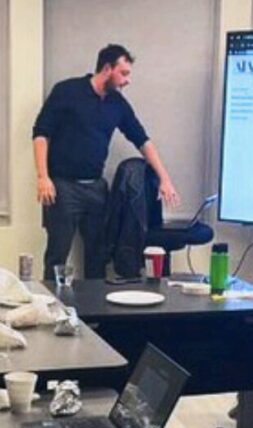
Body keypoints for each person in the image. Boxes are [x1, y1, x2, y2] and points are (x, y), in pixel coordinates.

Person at [32, 43, 179, 280]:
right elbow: (41, 133)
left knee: (98, 255)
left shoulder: (117, 103)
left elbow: (142, 140)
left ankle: (94, 304)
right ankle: (52, 301)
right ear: (107, 68)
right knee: (57, 254)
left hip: (96, 188)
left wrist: (165, 179)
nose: (127, 80)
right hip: (62, 187)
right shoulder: (67, 91)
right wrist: (43, 177)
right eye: (124, 73)